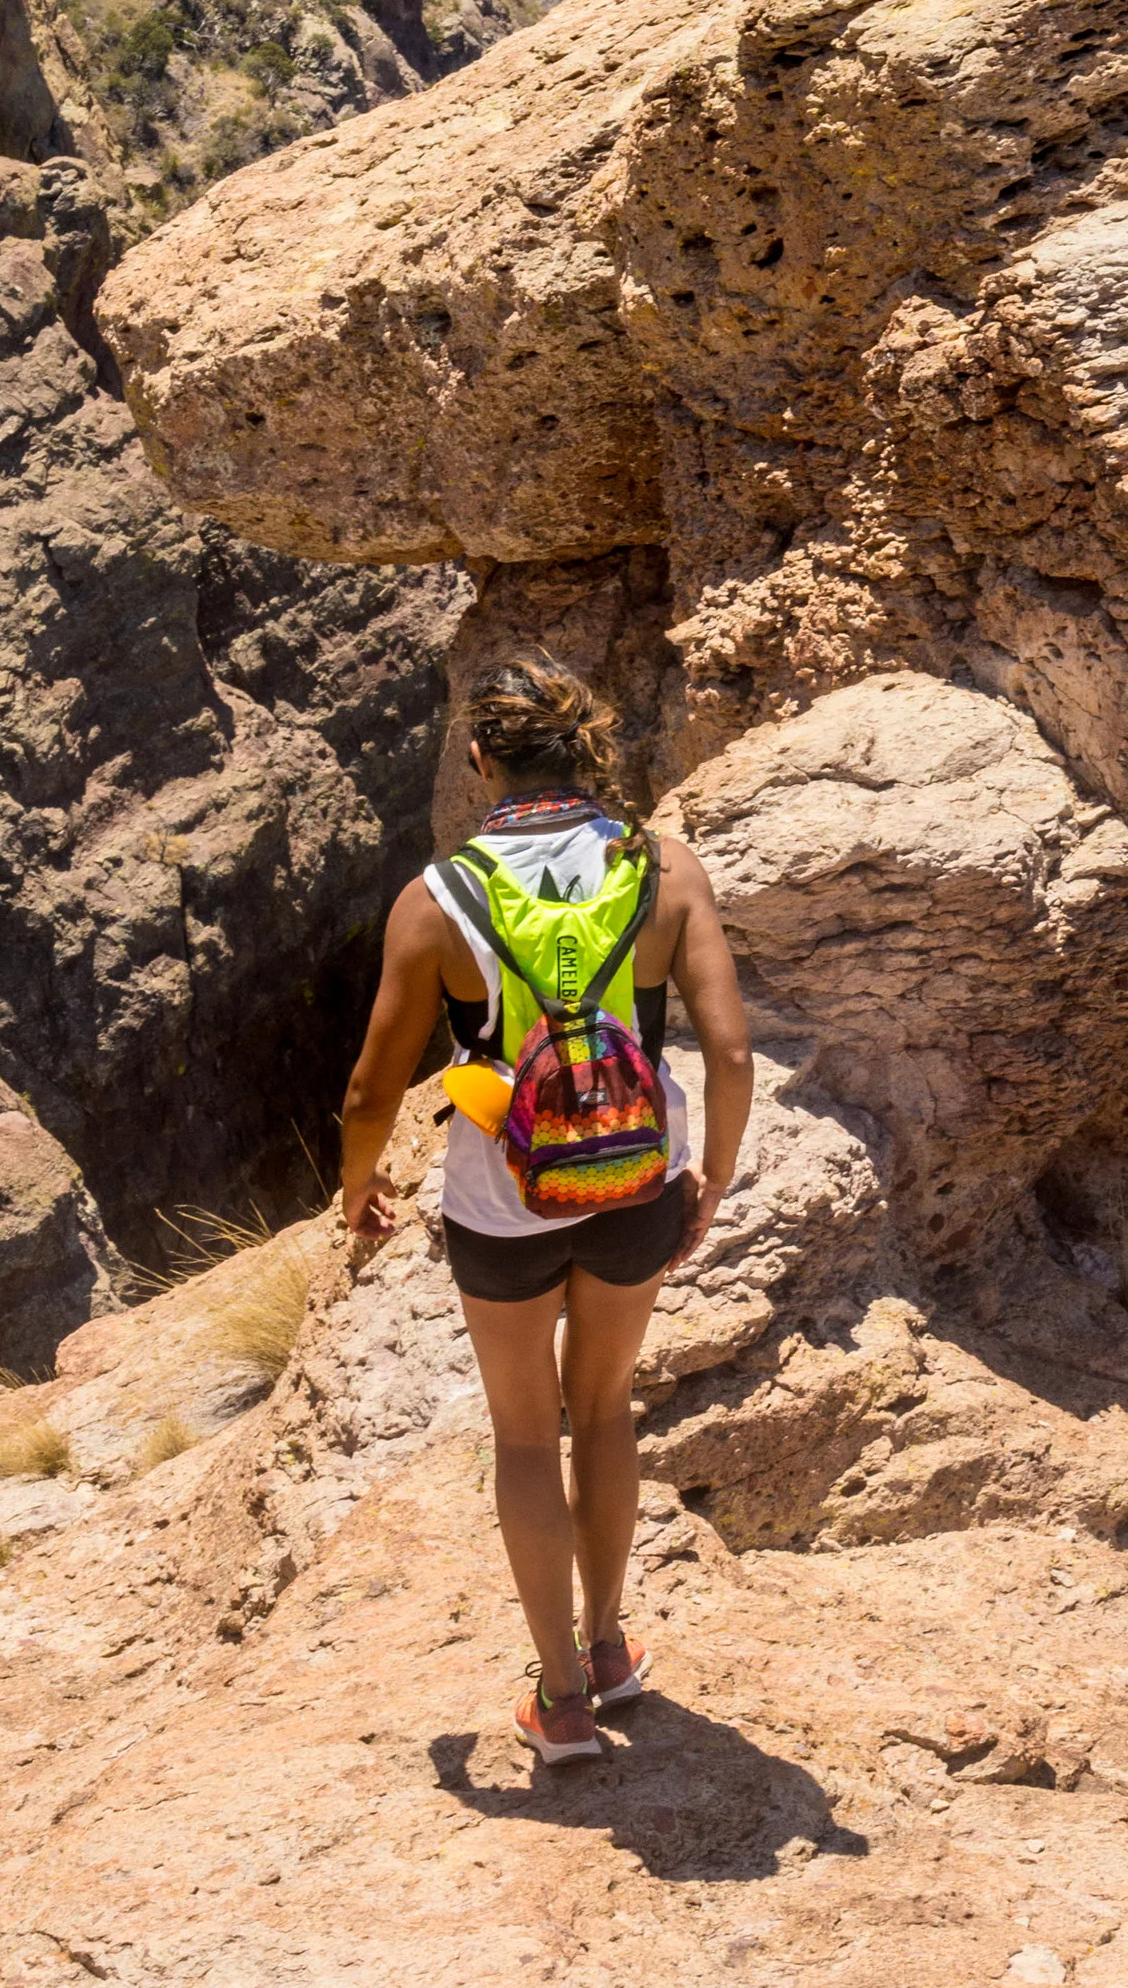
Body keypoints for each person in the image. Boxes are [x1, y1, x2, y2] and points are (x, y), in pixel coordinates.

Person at [340, 658, 754, 1766]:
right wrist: (708, 1173)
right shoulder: (662, 868)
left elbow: (373, 1089)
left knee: (527, 1434)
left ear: (479, 760)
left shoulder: (437, 899)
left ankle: (561, 1699)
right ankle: (611, 1647)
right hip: (632, 1186)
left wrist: (357, 1188)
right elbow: (727, 1047)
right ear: (583, 745)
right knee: (606, 1412)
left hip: (501, 1200)